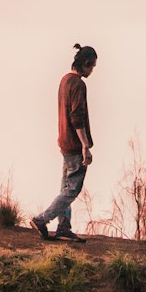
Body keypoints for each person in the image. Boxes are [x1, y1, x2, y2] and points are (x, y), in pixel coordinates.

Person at [31, 43, 97, 242]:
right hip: (74, 144)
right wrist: (85, 145)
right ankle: (42, 219)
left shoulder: (64, 80)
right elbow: (77, 116)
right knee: (72, 189)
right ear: (85, 64)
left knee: (65, 186)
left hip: (64, 141)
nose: (92, 70)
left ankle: (63, 226)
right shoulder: (78, 84)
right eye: (92, 66)